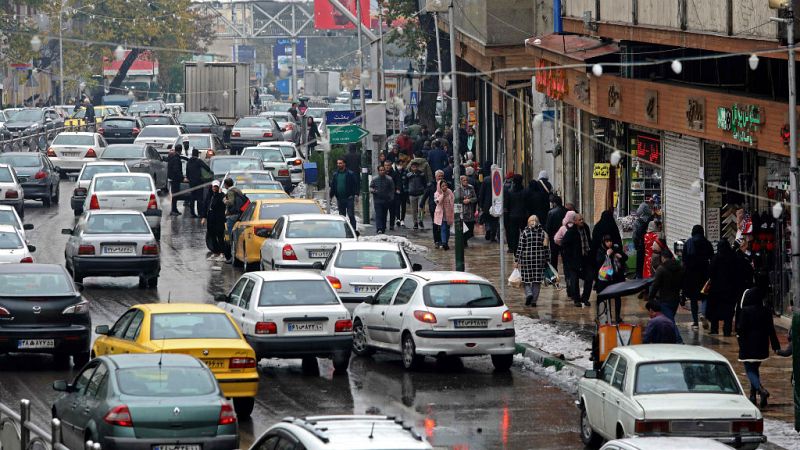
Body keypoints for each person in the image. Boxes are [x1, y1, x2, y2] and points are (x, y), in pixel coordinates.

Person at [736, 275, 781, 408]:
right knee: (754, 369)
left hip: (748, 345)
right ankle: (752, 396)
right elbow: (771, 329)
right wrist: (775, 345)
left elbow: (741, 328)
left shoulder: (745, 311)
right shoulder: (766, 311)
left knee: (749, 370)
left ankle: (761, 391)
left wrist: (740, 340)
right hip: (762, 345)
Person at [682, 225, 714, 329]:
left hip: (691, 276)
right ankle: (703, 314)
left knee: (693, 299)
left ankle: (695, 322)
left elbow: (684, 260)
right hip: (704, 275)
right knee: (705, 296)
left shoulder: (688, 243)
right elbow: (712, 258)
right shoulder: (707, 243)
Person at [649, 249, 684, 343]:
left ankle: (678, 340)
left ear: (663, 258)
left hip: (665, 299)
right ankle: (670, 339)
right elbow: (683, 283)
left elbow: (655, 285)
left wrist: (650, 297)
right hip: (675, 299)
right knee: (670, 319)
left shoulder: (661, 269)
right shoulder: (679, 267)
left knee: (670, 321)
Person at [706, 240, 739, 336]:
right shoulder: (734, 257)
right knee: (728, 311)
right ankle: (727, 330)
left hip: (716, 289)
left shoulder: (716, 258)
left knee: (715, 310)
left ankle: (714, 329)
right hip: (730, 289)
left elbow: (710, 272)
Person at [515, 215, 550, 306]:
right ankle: (534, 301)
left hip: (527, 259)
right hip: (539, 260)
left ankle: (529, 294)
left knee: (526, 280)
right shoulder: (543, 233)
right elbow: (546, 248)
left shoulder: (525, 233)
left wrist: (516, 260)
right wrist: (547, 260)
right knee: (536, 281)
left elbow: (520, 247)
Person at [594, 234, 628, 323]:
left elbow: (625, 257)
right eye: (607, 241)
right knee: (605, 298)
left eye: (610, 241)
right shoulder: (601, 250)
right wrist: (607, 255)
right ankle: (606, 317)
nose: (609, 243)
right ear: (604, 242)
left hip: (616, 278)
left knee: (617, 297)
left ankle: (617, 317)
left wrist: (620, 256)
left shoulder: (615, 248)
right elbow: (598, 262)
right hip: (605, 279)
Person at [562, 213, 593, 307]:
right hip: (574, 260)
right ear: (575, 221)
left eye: (582, 219)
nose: (582, 221)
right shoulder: (571, 231)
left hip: (586, 258)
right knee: (574, 281)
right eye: (579, 220)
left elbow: (589, 240)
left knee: (589, 278)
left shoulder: (586, 228)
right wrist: (569, 258)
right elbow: (565, 245)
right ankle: (576, 299)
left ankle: (585, 298)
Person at [201, 180, 229, 261]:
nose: (214, 188)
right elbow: (205, 205)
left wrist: (220, 194)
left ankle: (222, 253)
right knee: (212, 235)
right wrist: (204, 217)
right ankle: (215, 252)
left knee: (220, 236)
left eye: (216, 187)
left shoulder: (221, 195)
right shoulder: (209, 195)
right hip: (210, 218)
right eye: (213, 186)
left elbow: (223, 203)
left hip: (219, 219)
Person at [328, 159, 359, 231]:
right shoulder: (335, 175)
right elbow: (333, 186)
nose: (339, 165)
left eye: (340, 163)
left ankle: (353, 230)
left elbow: (355, 185)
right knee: (342, 216)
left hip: (349, 198)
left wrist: (356, 194)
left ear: (344, 164)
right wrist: (330, 196)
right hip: (340, 198)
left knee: (351, 215)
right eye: (338, 163)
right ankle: (343, 230)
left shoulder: (350, 174)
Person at [222, 177, 246, 263]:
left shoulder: (230, 191)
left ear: (226, 184)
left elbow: (231, 202)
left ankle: (232, 257)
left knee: (229, 237)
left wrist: (224, 200)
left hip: (232, 216)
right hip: (240, 215)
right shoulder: (237, 190)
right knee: (235, 236)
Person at [504, 174, 528, 254]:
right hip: (523, 216)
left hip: (512, 216)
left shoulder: (509, 192)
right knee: (524, 233)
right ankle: (524, 248)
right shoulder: (525, 191)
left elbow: (506, 205)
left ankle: (515, 250)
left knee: (514, 234)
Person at [632, 197, 655, 278]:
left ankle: (639, 276)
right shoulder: (652, 221)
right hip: (650, 247)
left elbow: (635, 235)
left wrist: (635, 245)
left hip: (641, 246)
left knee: (640, 262)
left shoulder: (637, 222)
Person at [185, 148, 211, 218]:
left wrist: (189, 179)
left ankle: (192, 213)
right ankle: (200, 213)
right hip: (199, 183)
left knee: (192, 198)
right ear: (197, 154)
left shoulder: (189, 161)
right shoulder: (199, 161)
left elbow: (187, 173)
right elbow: (207, 168)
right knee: (199, 198)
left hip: (192, 183)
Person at [370, 165, 394, 234]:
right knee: (378, 214)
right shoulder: (374, 179)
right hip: (377, 200)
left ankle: (383, 227)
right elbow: (371, 187)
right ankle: (379, 228)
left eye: (383, 170)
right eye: (380, 170)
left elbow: (392, 189)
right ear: (378, 171)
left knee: (384, 214)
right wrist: (373, 190)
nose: (382, 171)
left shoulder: (389, 179)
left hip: (386, 200)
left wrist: (391, 198)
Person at [545, 196, 567, 270]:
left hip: (554, 238)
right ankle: (567, 274)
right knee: (565, 256)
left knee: (554, 256)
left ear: (554, 203)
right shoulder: (566, 211)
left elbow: (548, 227)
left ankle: (554, 272)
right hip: (565, 237)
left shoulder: (551, 212)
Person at [478, 161, 498, 242]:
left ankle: (488, 230)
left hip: (486, 203)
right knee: (494, 220)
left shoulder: (486, 180)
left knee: (487, 219)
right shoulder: (498, 180)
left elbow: (481, 193)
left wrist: (481, 204)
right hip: (495, 203)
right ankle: (492, 235)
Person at [434, 179, 455, 250]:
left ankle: (446, 242)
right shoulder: (437, 193)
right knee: (443, 228)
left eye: (445, 185)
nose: (444, 187)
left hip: (449, 212)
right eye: (442, 186)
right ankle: (444, 243)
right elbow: (438, 202)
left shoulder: (450, 192)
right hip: (441, 214)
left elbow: (453, 201)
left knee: (448, 229)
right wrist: (442, 194)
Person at [406, 161, 427, 230]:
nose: (414, 168)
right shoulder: (409, 175)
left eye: (415, 167)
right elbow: (406, 183)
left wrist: (424, 191)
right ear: (411, 167)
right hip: (412, 194)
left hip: (420, 193)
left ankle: (420, 220)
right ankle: (415, 222)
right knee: (413, 210)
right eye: (413, 167)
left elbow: (425, 183)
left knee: (420, 208)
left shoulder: (421, 174)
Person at [459, 175, 477, 246]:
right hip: (462, 212)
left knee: (470, 230)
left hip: (470, 211)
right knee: (464, 229)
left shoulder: (471, 187)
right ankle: (464, 243)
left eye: (466, 180)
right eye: (464, 180)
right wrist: (462, 201)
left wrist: (469, 200)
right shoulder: (458, 189)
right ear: (461, 181)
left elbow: (475, 198)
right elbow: (455, 200)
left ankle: (466, 240)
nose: (466, 182)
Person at [167, 147, 184, 216]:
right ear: (180, 150)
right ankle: (173, 209)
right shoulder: (176, 159)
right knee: (175, 195)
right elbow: (176, 170)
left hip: (172, 178)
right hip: (175, 179)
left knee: (174, 195)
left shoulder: (173, 157)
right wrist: (181, 177)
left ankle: (174, 209)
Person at [383, 160, 401, 230]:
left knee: (392, 211)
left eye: (388, 165)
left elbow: (398, 182)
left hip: (392, 195)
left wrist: (398, 189)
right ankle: (383, 225)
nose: (387, 167)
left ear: (391, 166)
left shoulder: (395, 173)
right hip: (384, 195)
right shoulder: (382, 173)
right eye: (386, 165)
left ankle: (391, 225)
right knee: (384, 212)